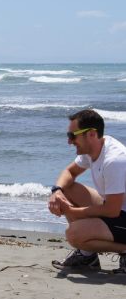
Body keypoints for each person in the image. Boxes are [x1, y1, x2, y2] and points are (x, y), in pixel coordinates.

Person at [48, 109, 126, 273]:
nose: (69, 142)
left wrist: (74, 212)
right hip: (117, 210)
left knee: (74, 235)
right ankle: (87, 256)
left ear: (91, 134)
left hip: (119, 213)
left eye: (72, 135)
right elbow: (70, 172)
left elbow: (112, 210)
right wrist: (57, 191)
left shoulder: (114, 160)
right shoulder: (93, 150)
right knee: (67, 188)